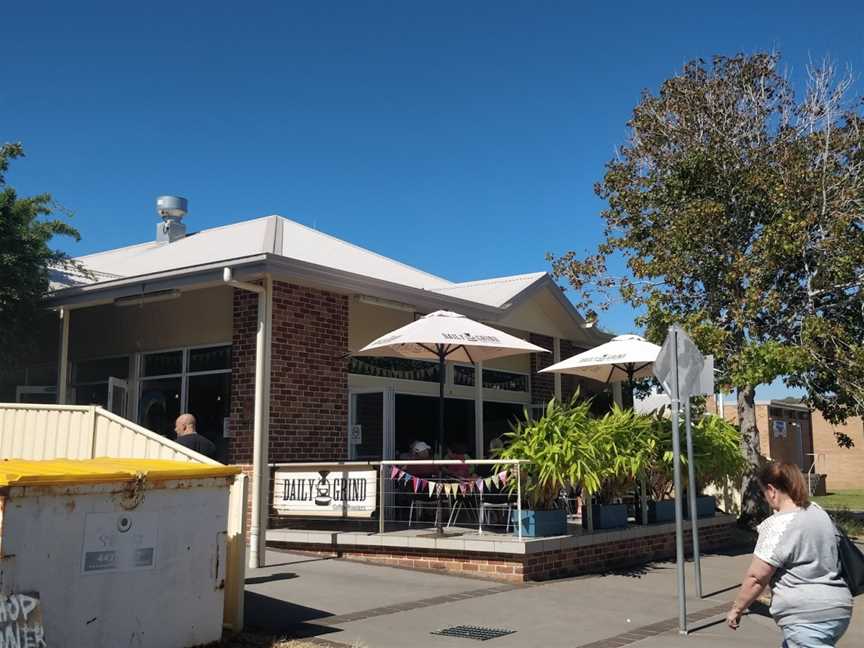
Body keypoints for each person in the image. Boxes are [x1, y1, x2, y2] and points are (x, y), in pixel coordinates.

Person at [726, 461, 852, 646]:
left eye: (763, 493)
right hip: (838, 608)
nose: (765, 498)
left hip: (807, 617)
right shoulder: (818, 513)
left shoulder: (777, 525)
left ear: (771, 490)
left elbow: (757, 578)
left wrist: (736, 609)